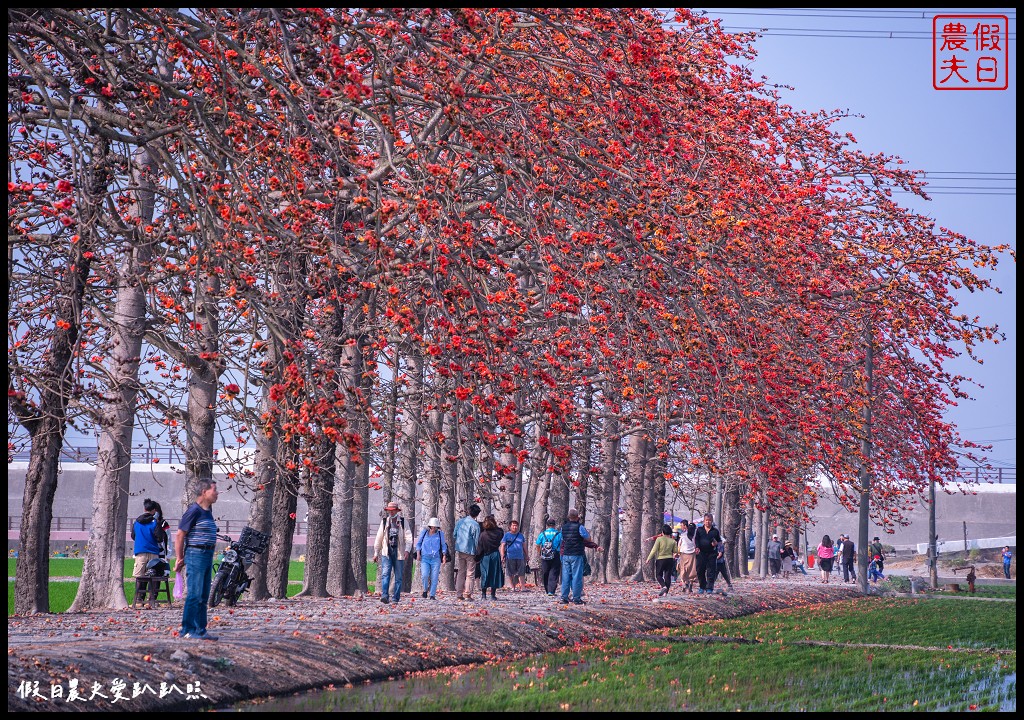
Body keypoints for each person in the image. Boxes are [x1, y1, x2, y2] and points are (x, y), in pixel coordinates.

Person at [175, 479, 219, 640]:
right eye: (214, 490)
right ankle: (187, 629)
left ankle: (201, 630)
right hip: (196, 554)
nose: (216, 493)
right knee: (194, 593)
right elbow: (180, 535)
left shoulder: (207, 512)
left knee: (204, 594)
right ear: (204, 492)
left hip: (207, 555)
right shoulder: (193, 511)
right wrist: (180, 558)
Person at [373, 500, 412, 604]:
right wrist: (376, 552)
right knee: (385, 574)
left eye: (393, 510)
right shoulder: (385, 521)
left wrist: (407, 550)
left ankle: (396, 597)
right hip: (387, 551)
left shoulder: (403, 522)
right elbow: (379, 537)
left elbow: (408, 537)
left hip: (399, 552)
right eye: (390, 510)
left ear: (396, 511)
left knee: (398, 576)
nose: (391, 512)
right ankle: (385, 595)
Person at [559, 508, 601, 605]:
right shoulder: (580, 527)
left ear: (569, 517)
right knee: (576, 576)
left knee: (566, 576)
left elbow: (562, 539)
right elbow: (588, 538)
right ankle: (576, 598)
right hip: (577, 554)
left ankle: (564, 597)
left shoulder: (563, 528)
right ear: (577, 517)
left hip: (566, 554)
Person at [131, 498, 168, 608]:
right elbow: (159, 537)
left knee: (140, 576)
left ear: (144, 509)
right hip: (153, 552)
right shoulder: (154, 522)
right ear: (153, 511)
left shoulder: (137, 522)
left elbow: (133, 536)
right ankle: (151, 600)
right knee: (154, 576)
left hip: (140, 551)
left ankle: (138, 600)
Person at [414, 517, 447, 600]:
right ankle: (425, 590)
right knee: (425, 575)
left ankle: (432, 594)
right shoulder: (424, 533)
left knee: (434, 577)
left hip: (436, 558)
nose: (434, 528)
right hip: (425, 557)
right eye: (433, 526)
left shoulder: (440, 534)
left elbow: (443, 545)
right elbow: (418, 544)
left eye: (436, 527)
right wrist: (418, 554)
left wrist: (444, 555)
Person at [453, 504, 482, 600]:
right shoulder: (475, 525)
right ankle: (468, 593)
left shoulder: (460, 522)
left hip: (460, 549)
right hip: (471, 551)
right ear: (477, 514)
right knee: (470, 573)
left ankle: (459, 593)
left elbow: (454, 534)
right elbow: (476, 540)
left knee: (461, 571)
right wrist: (477, 552)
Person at [476, 515, 505, 600]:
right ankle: (493, 595)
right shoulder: (499, 532)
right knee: (494, 574)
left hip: (485, 556)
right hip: (495, 554)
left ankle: (483, 594)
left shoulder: (483, 535)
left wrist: (477, 557)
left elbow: (480, 548)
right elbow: (501, 532)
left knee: (485, 574)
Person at [647, 524, 680, 597]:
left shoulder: (659, 539)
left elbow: (654, 550)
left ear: (662, 532)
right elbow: (675, 551)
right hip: (670, 560)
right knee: (667, 576)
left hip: (660, 559)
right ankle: (665, 593)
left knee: (658, 575)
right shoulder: (673, 541)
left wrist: (649, 558)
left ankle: (663, 586)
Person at [694, 513, 722, 595]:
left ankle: (709, 587)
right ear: (704, 521)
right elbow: (696, 540)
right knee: (700, 570)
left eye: (709, 520)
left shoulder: (715, 531)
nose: (708, 522)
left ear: (712, 521)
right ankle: (702, 586)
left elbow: (719, 542)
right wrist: (697, 547)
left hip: (712, 553)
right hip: (701, 553)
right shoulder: (699, 530)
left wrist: (716, 543)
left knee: (711, 571)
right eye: (706, 520)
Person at [535, 517, 562, 596]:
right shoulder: (559, 534)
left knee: (546, 572)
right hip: (556, 554)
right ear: (554, 525)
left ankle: (547, 589)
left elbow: (537, 544)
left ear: (547, 525)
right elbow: (562, 544)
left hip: (545, 554)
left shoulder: (542, 534)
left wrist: (540, 553)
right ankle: (551, 590)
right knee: (554, 572)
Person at [501, 519, 528, 591]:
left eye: (516, 526)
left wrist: (526, 555)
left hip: (520, 556)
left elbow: (524, 545)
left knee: (521, 572)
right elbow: (503, 546)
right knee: (510, 572)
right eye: (513, 526)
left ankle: (523, 587)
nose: (515, 527)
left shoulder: (521, 535)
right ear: (510, 527)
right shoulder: (506, 535)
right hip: (510, 556)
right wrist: (502, 555)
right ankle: (512, 587)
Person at [677, 520, 698, 592]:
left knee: (683, 569)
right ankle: (690, 586)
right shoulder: (695, 536)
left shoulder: (683, 535)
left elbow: (679, 544)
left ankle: (684, 583)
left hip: (683, 554)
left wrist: (677, 552)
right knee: (692, 570)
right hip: (692, 555)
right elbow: (696, 545)